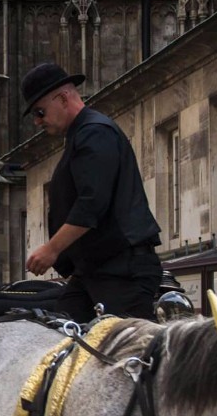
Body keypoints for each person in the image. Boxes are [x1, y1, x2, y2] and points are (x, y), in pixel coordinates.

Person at [18, 61, 165, 321]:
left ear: (63, 98)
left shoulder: (94, 132)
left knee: (125, 353)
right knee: (62, 334)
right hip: (96, 270)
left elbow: (92, 204)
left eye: (40, 111)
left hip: (121, 271)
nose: (38, 121)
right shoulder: (82, 135)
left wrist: (52, 249)